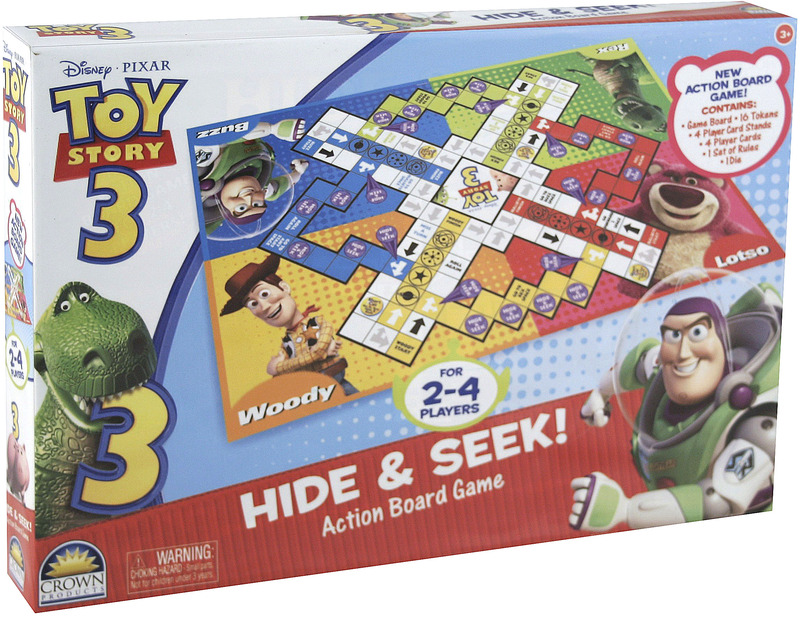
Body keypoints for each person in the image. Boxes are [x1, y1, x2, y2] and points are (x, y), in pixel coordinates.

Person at [570, 286, 780, 531]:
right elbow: (637, 364)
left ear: (721, 339)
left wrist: (624, 509)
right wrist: (600, 394)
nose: (683, 352)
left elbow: (717, 503)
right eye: (673, 336)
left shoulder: (761, 427)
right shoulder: (664, 371)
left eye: (697, 333)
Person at [219, 253, 358, 395]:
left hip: (333, 378)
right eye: (253, 304)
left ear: (284, 287)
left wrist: (277, 366)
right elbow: (279, 376)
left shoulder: (318, 322)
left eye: (264, 294)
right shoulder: (287, 343)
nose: (264, 307)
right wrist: (280, 369)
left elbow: (316, 353)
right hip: (310, 390)